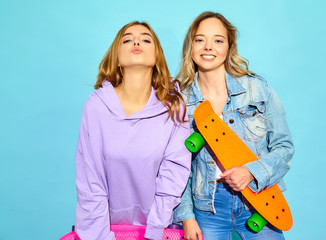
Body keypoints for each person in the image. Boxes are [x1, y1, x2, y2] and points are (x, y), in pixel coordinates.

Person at [173, 12, 294, 240]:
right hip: (207, 207)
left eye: (218, 40)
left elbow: (284, 147)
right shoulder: (180, 101)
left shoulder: (258, 88)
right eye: (200, 40)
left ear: (229, 47)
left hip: (259, 201)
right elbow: (176, 167)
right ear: (190, 46)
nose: (208, 47)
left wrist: (251, 172)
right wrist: (186, 216)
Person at [75, 21, 191, 240]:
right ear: (117, 57)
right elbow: (91, 181)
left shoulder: (174, 106)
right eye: (127, 39)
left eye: (146, 39)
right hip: (104, 231)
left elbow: (174, 173)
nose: (136, 41)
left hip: (160, 230)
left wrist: (155, 231)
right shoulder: (96, 107)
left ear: (157, 56)